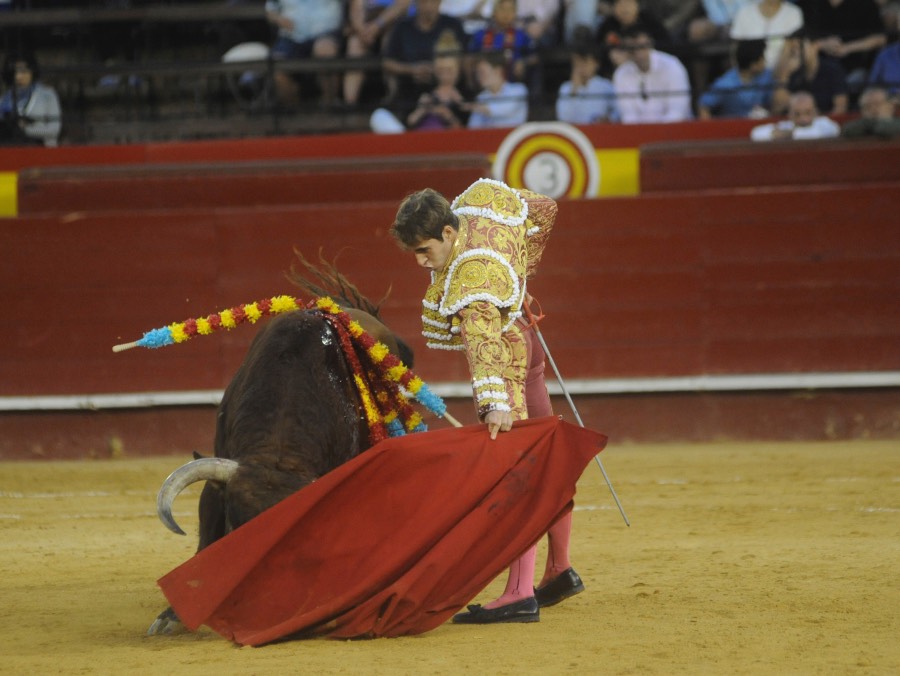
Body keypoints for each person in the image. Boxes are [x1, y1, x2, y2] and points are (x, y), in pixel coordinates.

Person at [389, 177, 583, 624]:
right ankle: (559, 569)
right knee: (547, 455)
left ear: (449, 233)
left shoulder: (472, 276)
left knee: (519, 468)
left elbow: (482, 343)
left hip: (507, 352)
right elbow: (543, 208)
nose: (421, 262)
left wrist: (494, 403)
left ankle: (519, 594)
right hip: (526, 334)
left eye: (425, 250)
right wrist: (519, 278)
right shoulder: (479, 208)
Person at [383, 0, 469, 122]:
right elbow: (387, 63)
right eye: (424, 2)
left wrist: (441, 72)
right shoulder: (402, 27)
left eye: (433, 2)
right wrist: (411, 70)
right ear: (416, 3)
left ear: (440, 3)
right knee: (381, 116)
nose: (429, 7)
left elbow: (465, 59)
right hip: (410, 92)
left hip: (449, 92)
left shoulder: (453, 25)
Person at [264, 0, 344, 108]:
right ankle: (295, 110)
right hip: (291, 36)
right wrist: (279, 19)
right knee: (276, 65)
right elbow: (270, 11)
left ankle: (329, 104)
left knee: (325, 52)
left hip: (326, 32)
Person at [612, 25, 693, 123]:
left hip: (676, 132)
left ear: (650, 42)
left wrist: (656, 132)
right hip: (639, 134)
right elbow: (628, 116)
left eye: (640, 45)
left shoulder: (672, 66)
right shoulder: (621, 74)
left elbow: (678, 112)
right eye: (631, 47)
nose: (636, 50)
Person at [344, 0, 413, 108]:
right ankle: (349, 103)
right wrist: (361, 31)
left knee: (390, 39)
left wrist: (377, 26)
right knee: (355, 43)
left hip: (398, 23)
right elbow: (356, 9)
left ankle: (393, 97)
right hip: (368, 26)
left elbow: (403, 5)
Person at [798, 0, 887, 84]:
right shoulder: (808, 4)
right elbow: (795, 39)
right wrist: (821, 44)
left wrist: (847, 48)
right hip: (813, 68)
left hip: (854, 69)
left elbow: (880, 38)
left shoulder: (865, 4)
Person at [772, 29, 849, 115]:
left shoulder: (832, 70)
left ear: (815, 45)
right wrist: (784, 76)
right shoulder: (793, 73)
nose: (796, 53)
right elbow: (777, 109)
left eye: (799, 48)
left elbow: (840, 107)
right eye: (793, 49)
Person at [698, 39, 774, 119]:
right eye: (762, 59)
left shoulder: (766, 76)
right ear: (753, 65)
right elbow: (704, 105)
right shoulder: (726, 84)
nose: (765, 62)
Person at [0, 52, 61, 147]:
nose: (18, 77)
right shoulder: (4, 100)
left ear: (32, 72)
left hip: (41, 153)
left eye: (23, 71)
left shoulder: (47, 95)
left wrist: (26, 129)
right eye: (14, 72)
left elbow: (54, 130)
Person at [596, 0, 672, 77]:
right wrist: (610, 54)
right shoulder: (607, 26)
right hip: (615, 72)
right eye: (620, 4)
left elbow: (667, 45)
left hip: (650, 71)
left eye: (628, 4)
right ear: (613, 8)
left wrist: (645, 51)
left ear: (637, 5)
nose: (625, 9)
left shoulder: (649, 22)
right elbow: (597, 49)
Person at [468, 0, 537, 84]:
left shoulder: (521, 36)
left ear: (515, 13)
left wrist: (523, 63)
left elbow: (535, 57)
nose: (506, 14)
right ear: (494, 11)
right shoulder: (481, 35)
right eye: (502, 9)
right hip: (485, 85)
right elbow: (469, 57)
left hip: (513, 84)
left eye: (510, 10)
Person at [556, 39, 619, 123]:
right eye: (577, 62)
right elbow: (563, 117)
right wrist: (574, 90)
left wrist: (609, 118)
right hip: (575, 133)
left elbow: (618, 112)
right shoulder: (566, 88)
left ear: (596, 64)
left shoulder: (605, 86)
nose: (581, 66)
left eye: (585, 62)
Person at [730, 0, 805, 70]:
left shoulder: (793, 13)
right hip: (748, 73)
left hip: (781, 73)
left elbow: (795, 50)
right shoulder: (744, 13)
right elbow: (735, 49)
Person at [406, 52, 473, 129]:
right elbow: (410, 122)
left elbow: (465, 128)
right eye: (441, 70)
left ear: (457, 72)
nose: (445, 75)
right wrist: (422, 109)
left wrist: (447, 115)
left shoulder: (464, 94)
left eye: (449, 70)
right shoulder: (426, 91)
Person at [467, 51, 530, 127]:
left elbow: (505, 109)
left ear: (497, 71)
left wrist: (480, 108)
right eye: (478, 73)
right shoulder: (481, 98)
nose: (479, 77)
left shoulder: (518, 90)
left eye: (482, 72)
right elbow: (473, 126)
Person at [750, 89, 840, 140]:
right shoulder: (786, 126)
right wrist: (773, 134)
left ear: (815, 112)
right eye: (797, 114)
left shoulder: (823, 123)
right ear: (789, 115)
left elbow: (835, 130)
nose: (803, 118)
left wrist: (792, 134)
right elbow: (755, 134)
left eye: (807, 112)